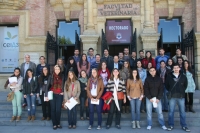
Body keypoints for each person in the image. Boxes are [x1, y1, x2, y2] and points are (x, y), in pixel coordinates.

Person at [165, 64, 190, 132]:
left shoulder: (183, 76)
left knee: (182, 112)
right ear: (173, 69)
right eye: (174, 68)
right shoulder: (169, 76)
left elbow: (185, 85)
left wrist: (181, 91)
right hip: (172, 96)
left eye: (177, 68)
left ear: (179, 68)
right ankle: (171, 125)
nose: (176, 69)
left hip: (181, 96)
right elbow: (166, 85)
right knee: (171, 112)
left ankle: (184, 125)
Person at [50, 65, 65, 130]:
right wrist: (46, 95)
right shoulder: (51, 76)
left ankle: (58, 123)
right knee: (53, 109)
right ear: (54, 70)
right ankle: (54, 124)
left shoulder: (63, 76)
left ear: (60, 70)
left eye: (58, 69)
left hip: (59, 94)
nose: (57, 70)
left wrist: (63, 91)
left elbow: (64, 84)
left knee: (58, 110)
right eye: (56, 69)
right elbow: (48, 85)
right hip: (52, 94)